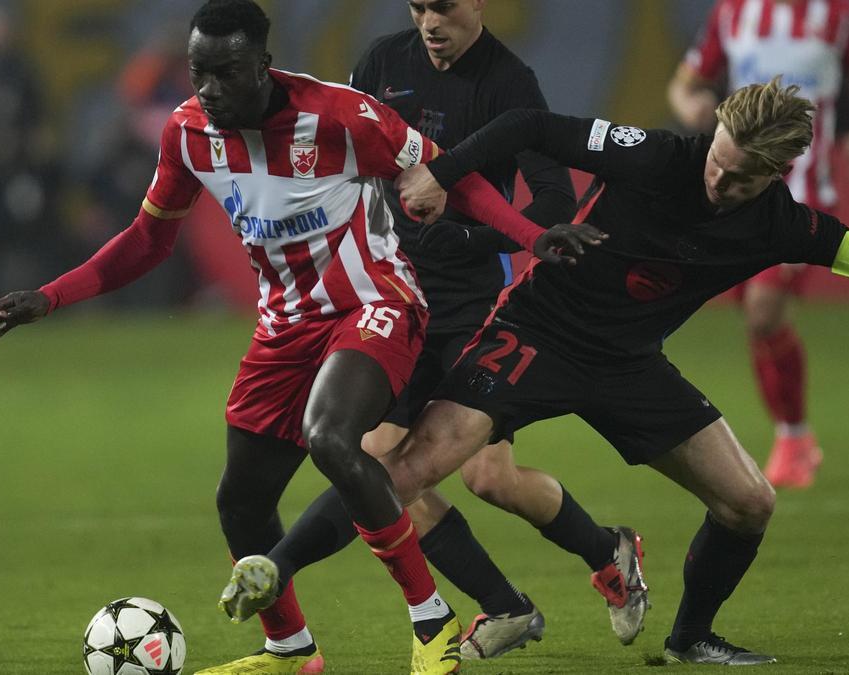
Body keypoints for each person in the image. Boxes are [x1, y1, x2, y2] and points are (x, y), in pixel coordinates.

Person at [0, 2, 600, 674]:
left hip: (375, 302)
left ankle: (431, 620)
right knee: (240, 500)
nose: (207, 89)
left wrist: (533, 237)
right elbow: (149, 239)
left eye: (225, 73)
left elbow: (453, 176)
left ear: (263, 67)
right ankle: (291, 650)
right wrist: (50, 295)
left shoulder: (340, 115)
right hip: (285, 326)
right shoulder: (187, 133)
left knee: (332, 436)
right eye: (198, 72)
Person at [379, 77, 849, 665]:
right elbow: (531, 126)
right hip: (538, 331)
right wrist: (442, 173)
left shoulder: (784, 226)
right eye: (718, 158)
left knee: (750, 502)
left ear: (777, 174)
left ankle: (690, 636)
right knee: (408, 475)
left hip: (629, 365)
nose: (716, 177)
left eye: (736, 176)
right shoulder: (656, 153)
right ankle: (464, 602)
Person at [199, 0, 649, 668]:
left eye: (442, 7)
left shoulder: (509, 83)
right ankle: (503, 604)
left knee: (490, 477)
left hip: (469, 298)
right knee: (384, 466)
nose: (429, 21)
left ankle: (607, 548)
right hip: (384, 293)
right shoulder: (381, 63)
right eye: (417, 7)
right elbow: (344, 150)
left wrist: (471, 234)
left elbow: (551, 196)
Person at [668, 0, 849, 488]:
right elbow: (685, 83)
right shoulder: (732, 13)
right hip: (739, 192)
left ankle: (793, 437)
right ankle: (795, 437)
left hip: (803, 192)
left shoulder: (839, 14)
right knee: (757, 316)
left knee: (763, 310)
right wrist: (693, 109)